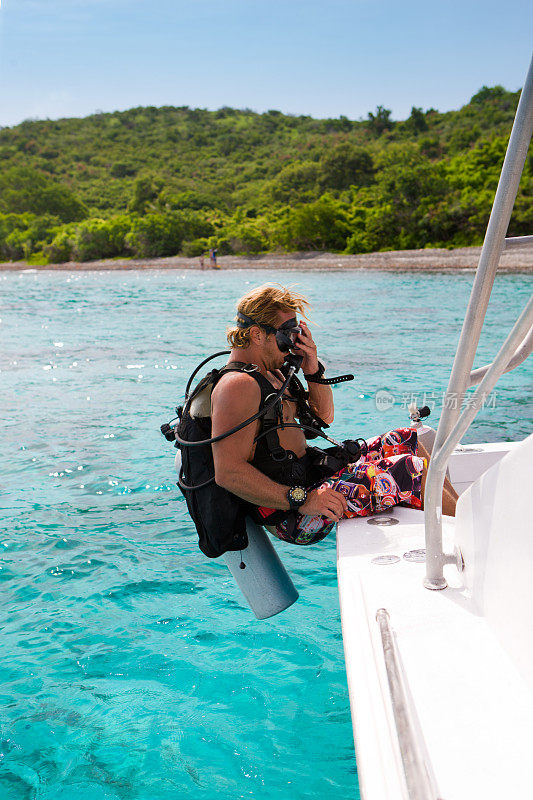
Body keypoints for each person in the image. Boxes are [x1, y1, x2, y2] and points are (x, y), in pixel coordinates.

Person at [211, 285, 458, 547]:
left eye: (296, 334)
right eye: (286, 334)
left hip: (310, 479)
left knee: (408, 439)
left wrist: (312, 366)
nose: (292, 343)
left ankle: (462, 520)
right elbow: (228, 473)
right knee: (409, 471)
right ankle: (473, 537)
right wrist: (302, 500)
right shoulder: (237, 386)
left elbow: (324, 416)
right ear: (257, 334)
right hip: (293, 514)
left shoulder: (272, 373)